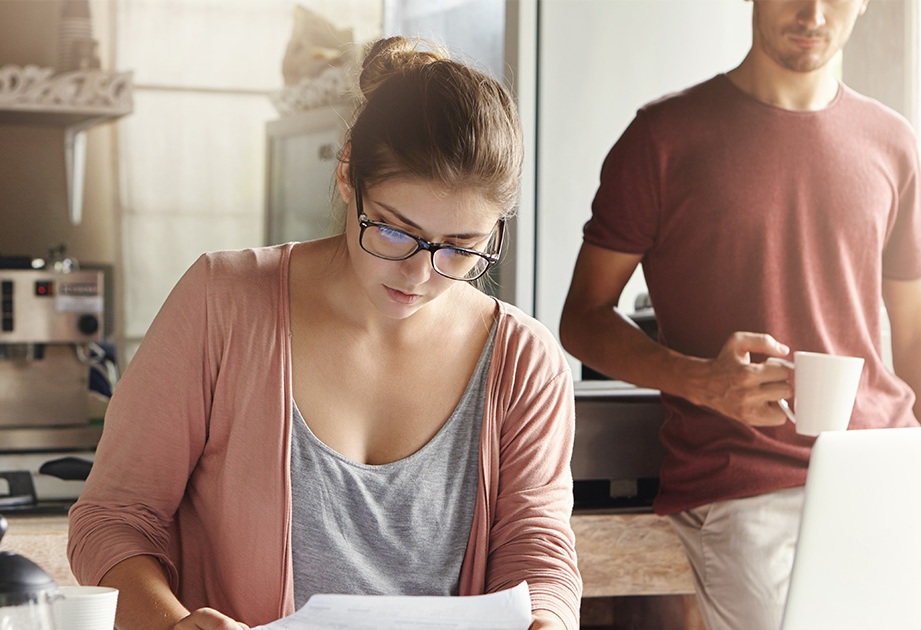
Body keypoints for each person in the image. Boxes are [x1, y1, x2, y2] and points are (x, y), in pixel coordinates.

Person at [68, 36, 581, 630]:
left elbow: (537, 549)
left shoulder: (524, 360)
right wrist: (174, 625)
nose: (419, 274)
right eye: (393, 231)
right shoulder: (222, 303)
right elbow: (113, 520)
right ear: (346, 176)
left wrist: (547, 619)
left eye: (461, 247)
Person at [559, 1, 921, 629]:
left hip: (885, 474)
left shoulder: (892, 142)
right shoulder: (662, 138)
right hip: (742, 485)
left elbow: (919, 330)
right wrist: (701, 379)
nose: (813, 12)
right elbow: (582, 317)